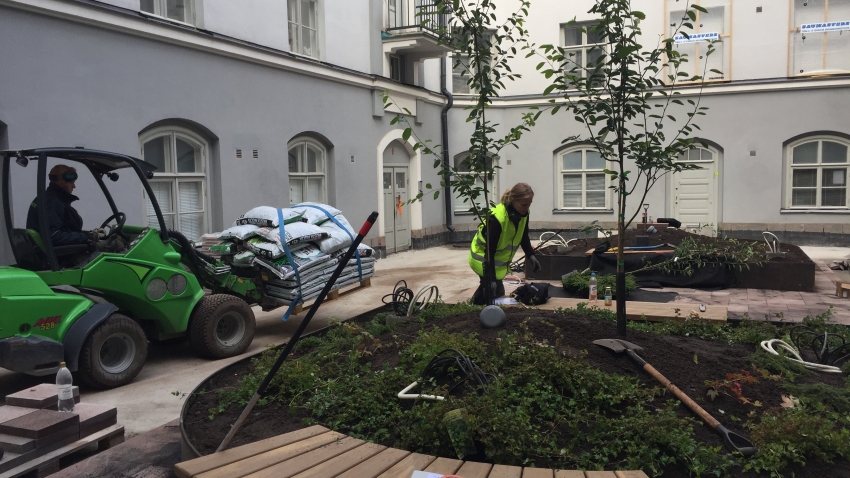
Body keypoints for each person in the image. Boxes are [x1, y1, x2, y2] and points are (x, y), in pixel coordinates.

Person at [468, 182, 541, 305]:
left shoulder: (524, 214)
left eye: (529, 204)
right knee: (489, 290)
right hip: (481, 257)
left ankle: (477, 307)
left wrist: (531, 255)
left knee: (498, 291)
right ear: (513, 200)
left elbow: (523, 235)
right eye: (523, 204)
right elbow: (489, 251)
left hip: (496, 260)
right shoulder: (497, 218)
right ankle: (472, 310)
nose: (526, 208)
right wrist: (491, 279)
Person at [26, 164, 98, 246]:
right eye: (72, 183)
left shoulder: (46, 199)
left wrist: (90, 234)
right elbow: (54, 236)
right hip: (63, 255)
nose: (74, 186)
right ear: (61, 183)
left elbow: (66, 231)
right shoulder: (50, 203)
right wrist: (85, 237)